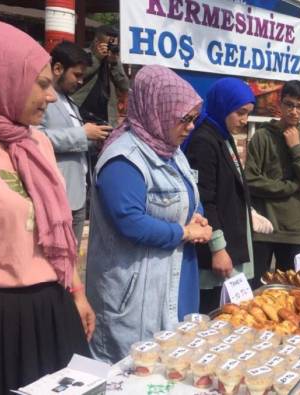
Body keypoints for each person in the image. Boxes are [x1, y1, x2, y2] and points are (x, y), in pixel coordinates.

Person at [0, 20, 94, 393]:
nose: (51, 97)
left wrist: (77, 293)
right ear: (1, 77)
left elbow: (59, 230)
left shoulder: (36, 143)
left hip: (52, 307)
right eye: (42, 84)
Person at [85, 65, 210, 363]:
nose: (191, 127)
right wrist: (183, 232)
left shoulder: (170, 148)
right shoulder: (124, 159)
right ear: (157, 110)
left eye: (194, 119)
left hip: (173, 278)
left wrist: (197, 216)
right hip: (136, 292)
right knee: (135, 369)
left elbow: (188, 191)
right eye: (185, 119)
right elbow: (130, 222)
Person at [183, 77, 273, 313]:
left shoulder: (222, 135)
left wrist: (248, 210)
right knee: (214, 313)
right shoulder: (204, 141)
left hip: (232, 239)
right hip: (216, 248)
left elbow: (230, 186)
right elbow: (204, 199)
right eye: (240, 113)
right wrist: (218, 248)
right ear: (223, 105)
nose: (244, 121)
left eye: (248, 114)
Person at [245, 81, 300, 283]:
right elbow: (251, 180)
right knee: (255, 289)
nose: (293, 112)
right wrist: (291, 186)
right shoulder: (262, 137)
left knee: (292, 292)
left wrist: (296, 148)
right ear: (280, 105)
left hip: (295, 231)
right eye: (289, 105)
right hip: (264, 228)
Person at [40, 41, 112, 247]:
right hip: (55, 196)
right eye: (77, 75)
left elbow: (75, 141)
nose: (80, 81)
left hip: (78, 194)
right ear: (57, 69)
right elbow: (36, 138)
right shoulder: (41, 99)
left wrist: (94, 140)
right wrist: (82, 133)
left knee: (70, 262)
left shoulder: (69, 101)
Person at [72, 25, 129, 126]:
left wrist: (115, 63)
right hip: (80, 113)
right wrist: (97, 58)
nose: (110, 48)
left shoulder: (113, 60)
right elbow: (79, 75)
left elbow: (125, 86)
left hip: (106, 117)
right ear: (96, 42)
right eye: (107, 44)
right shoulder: (83, 54)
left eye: (114, 45)